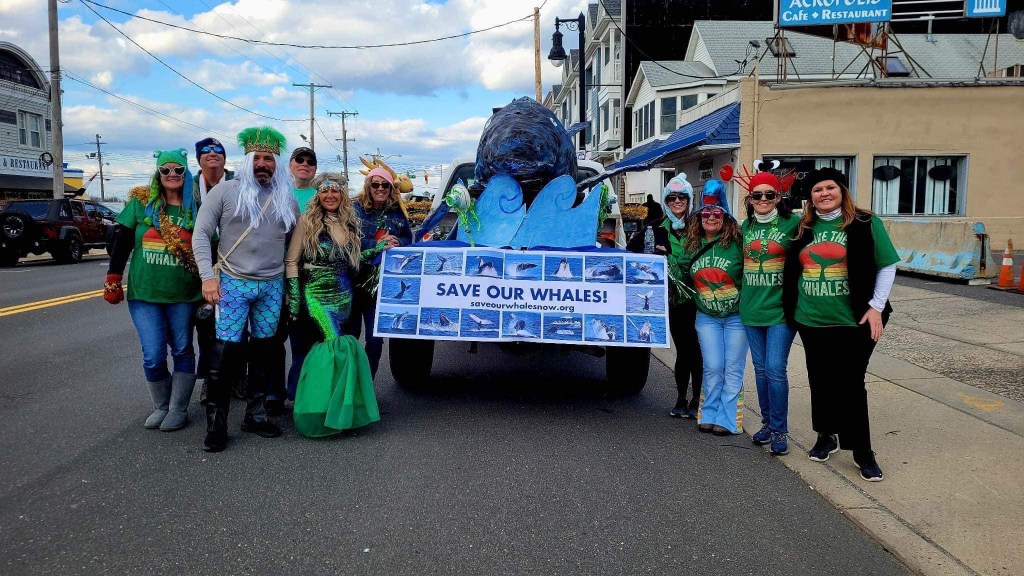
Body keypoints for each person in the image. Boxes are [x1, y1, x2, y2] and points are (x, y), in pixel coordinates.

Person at [783, 167, 899, 482]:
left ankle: (862, 450)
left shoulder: (865, 222)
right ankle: (826, 434)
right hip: (811, 319)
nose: (824, 194)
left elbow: (887, 265)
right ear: (810, 198)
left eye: (830, 187)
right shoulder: (804, 227)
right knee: (820, 379)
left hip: (854, 320)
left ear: (842, 191)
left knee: (851, 383)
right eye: (817, 190)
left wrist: (876, 307)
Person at [192, 126, 299, 452]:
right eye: (258, 158)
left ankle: (255, 414)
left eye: (269, 158)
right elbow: (201, 234)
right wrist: (207, 277)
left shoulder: (286, 199)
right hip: (233, 284)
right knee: (224, 355)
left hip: (271, 287)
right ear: (248, 159)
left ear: (277, 164)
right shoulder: (225, 191)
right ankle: (216, 424)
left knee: (265, 352)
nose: (263, 164)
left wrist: (289, 279)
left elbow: (295, 238)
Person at [103, 148, 202, 431]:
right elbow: (122, 242)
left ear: (185, 173)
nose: (172, 174)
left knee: (182, 349)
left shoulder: (195, 208)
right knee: (153, 354)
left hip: (183, 294)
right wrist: (113, 277)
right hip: (145, 293)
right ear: (158, 173)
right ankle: (161, 405)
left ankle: (178, 408)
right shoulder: (141, 203)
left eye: (178, 170)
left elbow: (210, 245)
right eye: (165, 170)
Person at [285, 173, 380, 436]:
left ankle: (339, 410)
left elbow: (353, 259)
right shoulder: (307, 221)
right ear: (318, 195)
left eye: (335, 191)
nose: (330, 195)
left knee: (342, 350)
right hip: (316, 294)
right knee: (328, 348)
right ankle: (315, 411)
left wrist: (379, 247)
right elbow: (291, 261)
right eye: (325, 191)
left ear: (342, 195)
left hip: (344, 294)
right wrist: (295, 299)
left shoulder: (350, 223)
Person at [740, 170, 801, 456]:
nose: (763, 199)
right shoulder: (745, 227)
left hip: (780, 310)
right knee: (761, 370)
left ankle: (779, 429)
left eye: (769, 194)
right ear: (750, 199)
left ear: (778, 197)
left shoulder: (794, 224)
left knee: (775, 368)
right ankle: (766, 423)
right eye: (757, 194)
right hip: (751, 309)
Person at [685, 179, 746, 436]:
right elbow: (678, 270)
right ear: (699, 218)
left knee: (733, 367)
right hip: (707, 316)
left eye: (716, 213)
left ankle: (729, 418)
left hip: (736, 317)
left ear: (725, 216)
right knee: (712, 366)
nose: (710, 218)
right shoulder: (691, 244)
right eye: (705, 213)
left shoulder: (738, 242)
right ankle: (708, 413)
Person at [348, 166, 413, 378]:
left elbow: (408, 238)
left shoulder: (397, 211)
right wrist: (375, 244)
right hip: (353, 282)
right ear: (368, 186)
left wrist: (398, 242)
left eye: (385, 184)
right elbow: (347, 241)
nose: (380, 188)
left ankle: (367, 383)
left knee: (375, 340)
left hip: (381, 286)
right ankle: (349, 384)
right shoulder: (354, 209)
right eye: (375, 184)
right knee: (350, 338)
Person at [652, 174, 702, 419]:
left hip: (700, 300)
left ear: (690, 200)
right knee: (683, 350)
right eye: (672, 197)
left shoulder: (700, 226)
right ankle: (681, 397)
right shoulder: (655, 228)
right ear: (666, 201)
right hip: (673, 301)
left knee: (698, 351)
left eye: (683, 197)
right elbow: (637, 255)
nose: (677, 201)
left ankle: (697, 399)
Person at [190, 137, 236, 403]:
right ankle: (210, 378)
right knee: (207, 325)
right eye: (206, 151)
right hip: (203, 262)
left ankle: (238, 376)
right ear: (198, 158)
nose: (212, 153)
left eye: (218, 150)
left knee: (239, 327)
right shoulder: (189, 187)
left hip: (236, 265)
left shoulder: (237, 182)